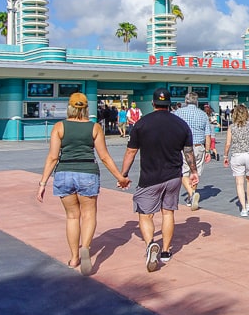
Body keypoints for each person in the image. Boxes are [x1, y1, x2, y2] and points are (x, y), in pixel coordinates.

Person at [37, 92, 130, 275]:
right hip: (87, 172)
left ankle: (74, 257)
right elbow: (104, 157)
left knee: (72, 217)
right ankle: (85, 247)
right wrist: (120, 177)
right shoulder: (94, 127)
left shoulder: (59, 127)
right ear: (86, 108)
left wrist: (42, 183)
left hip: (64, 173)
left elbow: (53, 157)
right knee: (88, 215)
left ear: (70, 107)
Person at [121, 88, 198, 272]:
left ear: (153, 103)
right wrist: (193, 171)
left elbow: (131, 151)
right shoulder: (181, 124)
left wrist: (123, 175)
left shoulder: (142, 124)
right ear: (169, 103)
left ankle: (150, 245)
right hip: (173, 176)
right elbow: (188, 152)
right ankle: (165, 251)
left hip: (149, 177)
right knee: (168, 213)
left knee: (145, 214)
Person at [173, 92, 214, 211]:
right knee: (195, 172)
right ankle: (192, 195)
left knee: (183, 172)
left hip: (184, 146)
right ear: (197, 102)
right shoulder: (203, 115)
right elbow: (208, 135)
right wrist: (207, 151)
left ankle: (191, 194)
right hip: (199, 146)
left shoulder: (178, 113)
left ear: (186, 101)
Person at [224, 104, 249, 216]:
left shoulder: (231, 127)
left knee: (239, 183)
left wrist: (225, 156)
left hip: (237, 155)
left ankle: (243, 208)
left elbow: (228, 144)